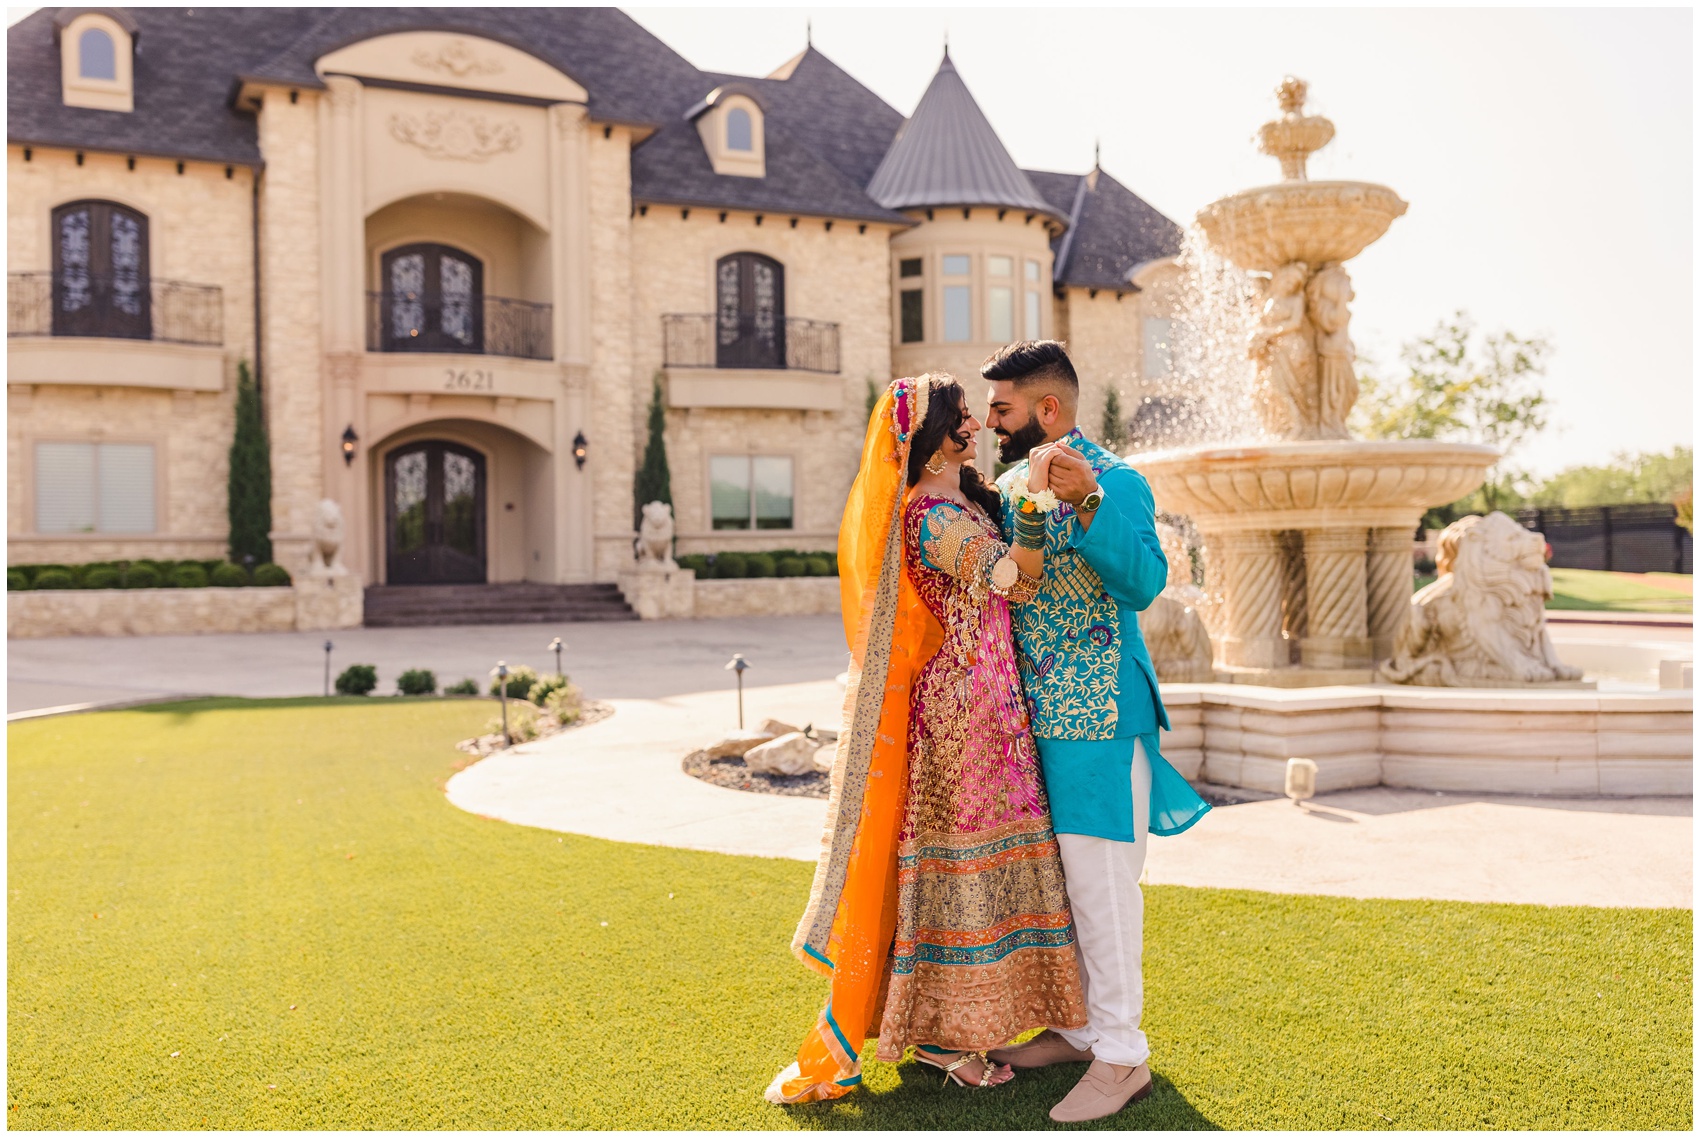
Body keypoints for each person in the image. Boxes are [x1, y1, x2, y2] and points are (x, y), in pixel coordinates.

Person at [765, 374, 1088, 1104]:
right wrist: (1035, 506)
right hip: (959, 711)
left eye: (974, 415)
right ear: (932, 435)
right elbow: (1013, 578)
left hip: (990, 699)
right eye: (961, 418)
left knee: (991, 852)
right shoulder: (928, 518)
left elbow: (1018, 584)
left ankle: (982, 1022)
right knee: (956, 863)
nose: (973, 426)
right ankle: (944, 1034)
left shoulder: (964, 503)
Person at [980, 340, 1213, 1124]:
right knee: (1063, 887)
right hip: (1030, 724)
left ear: (1048, 411)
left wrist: (1089, 505)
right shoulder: (1008, 488)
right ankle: (1079, 1031)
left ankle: (1121, 1056)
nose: (988, 421)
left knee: (1103, 889)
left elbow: (1146, 583)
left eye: (1002, 408)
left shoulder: (1120, 482)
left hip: (1099, 718)